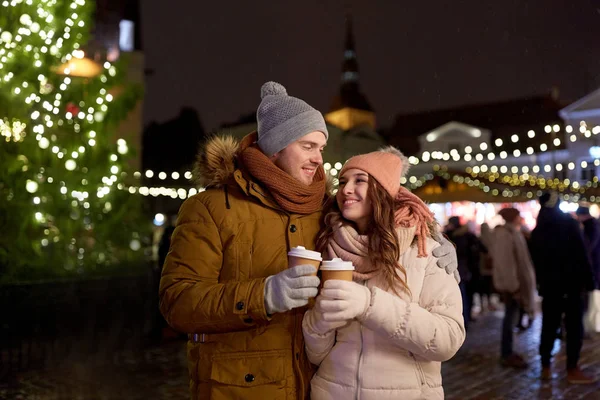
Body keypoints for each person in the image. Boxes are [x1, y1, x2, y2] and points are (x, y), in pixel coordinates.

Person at [159, 82, 460, 399]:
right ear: (276, 147)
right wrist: (264, 294)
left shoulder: (327, 209)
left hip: (314, 387)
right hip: (242, 389)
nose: (319, 159)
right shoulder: (211, 208)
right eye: (308, 146)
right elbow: (178, 302)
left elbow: (389, 209)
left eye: (321, 148)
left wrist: (435, 237)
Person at [302, 147, 465, 399]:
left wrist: (369, 304)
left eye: (360, 181)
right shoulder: (328, 247)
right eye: (343, 182)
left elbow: (448, 340)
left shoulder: (424, 251)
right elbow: (318, 354)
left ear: (382, 189)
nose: (346, 190)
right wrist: (320, 322)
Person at [530, 192, 596, 384]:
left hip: (550, 287)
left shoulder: (538, 230)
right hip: (572, 285)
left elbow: (537, 262)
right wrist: (589, 281)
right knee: (574, 327)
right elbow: (582, 254)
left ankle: (546, 367)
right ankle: (572, 369)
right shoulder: (569, 224)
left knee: (549, 325)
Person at [490, 207, 537, 369]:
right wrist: (513, 286)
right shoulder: (505, 234)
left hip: (517, 285)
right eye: (518, 216)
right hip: (513, 286)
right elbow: (506, 263)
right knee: (510, 319)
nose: (520, 218)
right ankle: (506, 353)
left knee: (513, 318)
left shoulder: (513, 232)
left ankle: (509, 351)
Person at [445, 215, 482, 329]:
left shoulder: (450, 235)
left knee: (461, 297)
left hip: (458, 270)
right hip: (465, 270)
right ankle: (465, 320)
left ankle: (463, 321)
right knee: (465, 296)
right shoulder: (466, 235)